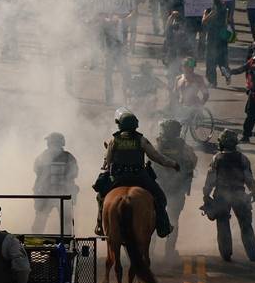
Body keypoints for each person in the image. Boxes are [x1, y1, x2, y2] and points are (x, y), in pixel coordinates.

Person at [94, 108, 180, 238]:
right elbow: (157, 157)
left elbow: (107, 161)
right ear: (135, 125)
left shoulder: (114, 140)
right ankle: (163, 227)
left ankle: (100, 225)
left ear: (120, 125)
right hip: (139, 177)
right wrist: (173, 164)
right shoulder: (141, 140)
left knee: (101, 196)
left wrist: (107, 166)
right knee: (160, 198)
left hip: (118, 178)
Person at [201, 129, 255, 262]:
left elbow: (210, 179)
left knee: (223, 224)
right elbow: (249, 178)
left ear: (221, 143)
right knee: (246, 225)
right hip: (239, 194)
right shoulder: (242, 158)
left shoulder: (217, 158)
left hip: (221, 196)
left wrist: (206, 194)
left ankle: (226, 253)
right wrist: (253, 192)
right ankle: (253, 254)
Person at [154, 119, 197, 260]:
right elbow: (192, 162)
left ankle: (149, 251)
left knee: (153, 219)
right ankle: (169, 253)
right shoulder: (184, 147)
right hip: (176, 189)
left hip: (158, 188)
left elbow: (149, 163)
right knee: (173, 220)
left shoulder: (157, 145)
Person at [31, 133, 79, 234]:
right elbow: (74, 173)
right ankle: (66, 241)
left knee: (40, 221)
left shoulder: (43, 156)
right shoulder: (68, 157)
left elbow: (36, 170)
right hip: (64, 194)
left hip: (45, 194)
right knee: (66, 223)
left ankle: (35, 241)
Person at [202, 0, 232, 87]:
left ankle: (212, 81)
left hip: (213, 38)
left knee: (210, 60)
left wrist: (205, 13)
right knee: (221, 59)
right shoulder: (225, 8)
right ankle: (226, 73)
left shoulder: (215, 9)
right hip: (222, 37)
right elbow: (227, 21)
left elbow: (204, 21)